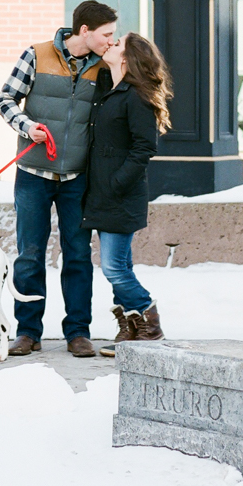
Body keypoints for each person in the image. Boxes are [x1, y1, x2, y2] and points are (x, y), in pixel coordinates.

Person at [0, 0, 118, 358]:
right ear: (85, 31)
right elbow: (5, 99)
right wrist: (27, 126)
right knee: (30, 255)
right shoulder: (37, 54)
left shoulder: (103, 67)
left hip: (77, 178)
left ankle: (78, 332)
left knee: (78, 255)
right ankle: (28, 331)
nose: (112, 40)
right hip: (33, 173)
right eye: (107, 34)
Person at [82, 31, 172, 355]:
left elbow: (145, 147)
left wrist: (118, 182)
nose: (111, 43)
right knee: (121, 266)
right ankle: (130, 328)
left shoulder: (136, 97)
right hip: (104, 194)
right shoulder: (112, 91)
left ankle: (150, 320)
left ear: (127, 58)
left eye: (117, 43)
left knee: (114, 268)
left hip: (122, 195)